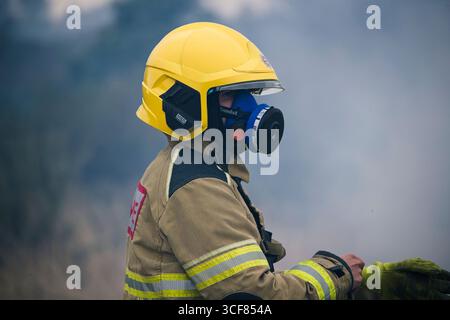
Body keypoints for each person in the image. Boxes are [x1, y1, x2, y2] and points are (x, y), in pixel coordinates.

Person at [123, 21, 366, 300]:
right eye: (229, 94)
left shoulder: (184, 166)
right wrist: (335, 274)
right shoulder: (194, 184)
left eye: (249, 93)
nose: (249, 108)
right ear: (186, 103)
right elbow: (251, 298)